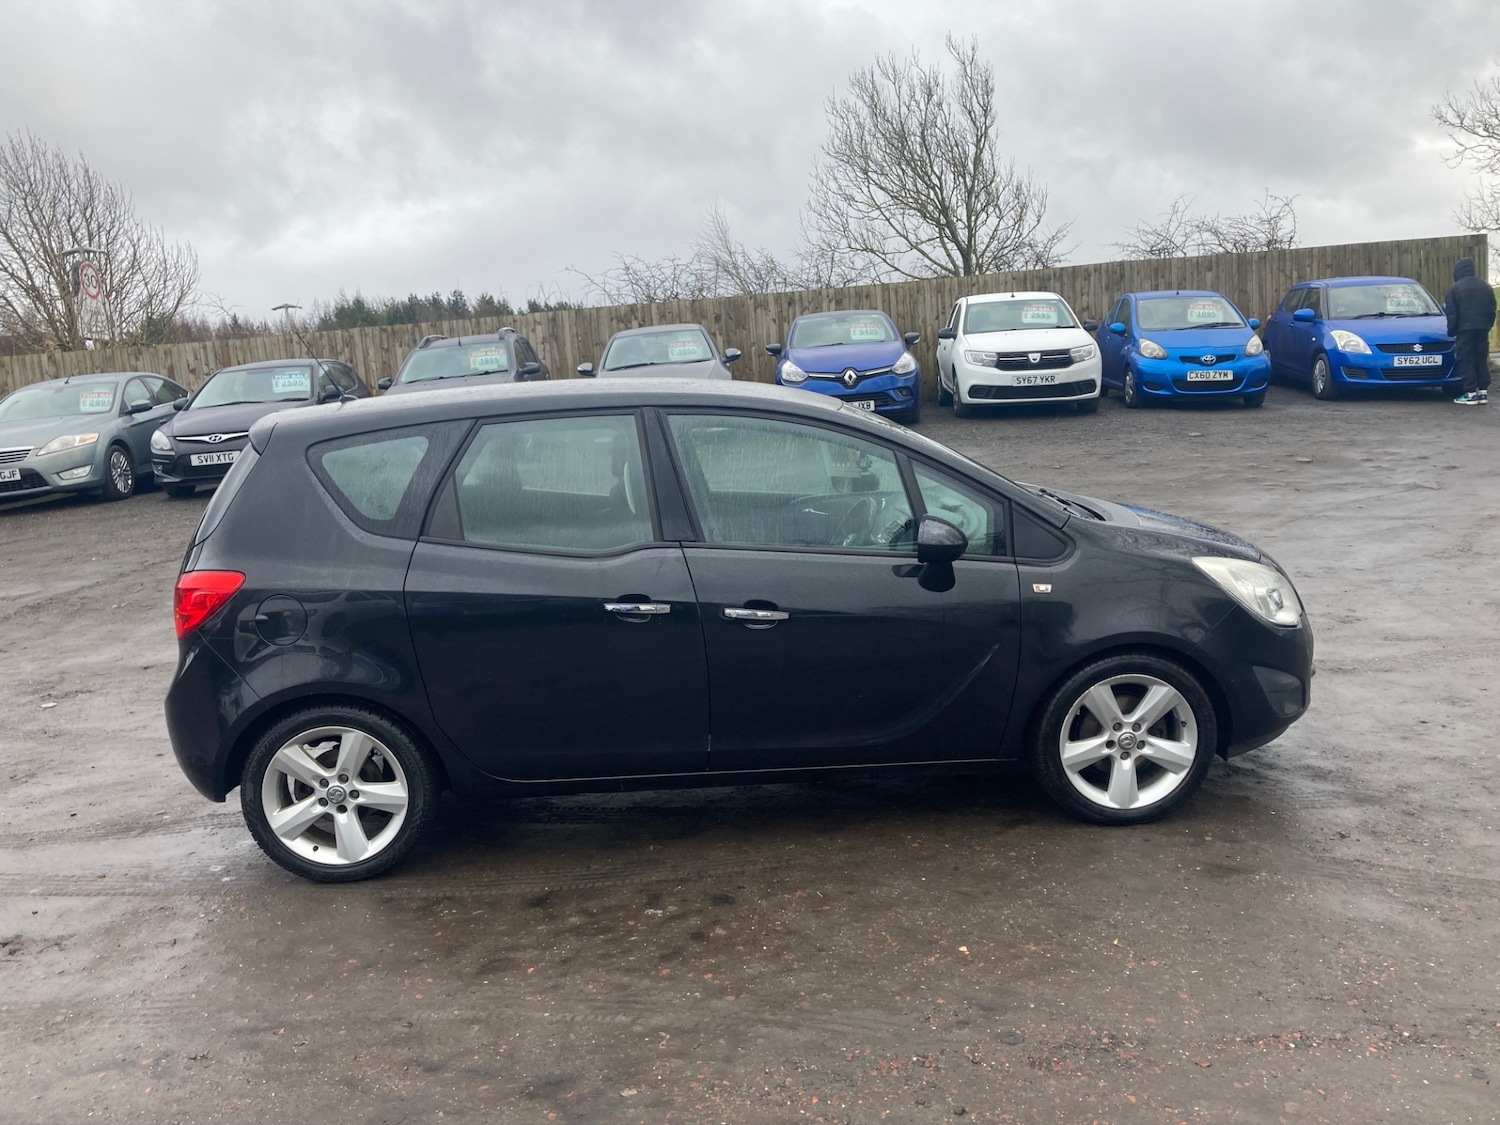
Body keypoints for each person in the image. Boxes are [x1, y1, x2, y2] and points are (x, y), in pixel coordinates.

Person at [1444, 257, 1496, 405]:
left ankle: (1470, 392)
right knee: (1481, 358)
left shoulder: (1454, 288)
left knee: (1466, 359)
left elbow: (1452, 313)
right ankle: (1483, 392)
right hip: (1482, 328)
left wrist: (1451, 331)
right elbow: (1492, 309)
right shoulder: (1486, 286)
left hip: (1464, 330)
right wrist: (1487, 325)